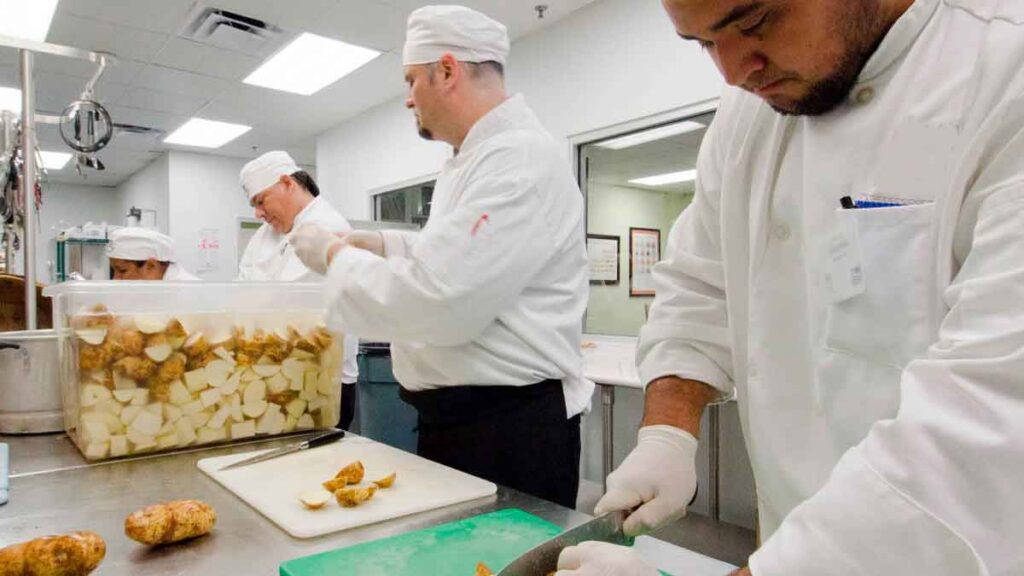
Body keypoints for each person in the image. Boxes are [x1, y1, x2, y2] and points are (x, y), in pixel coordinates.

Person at [560, 0, 1024, 575]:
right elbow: (698, 285)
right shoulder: (748, 113)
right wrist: (666, 434)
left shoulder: (1003, 71)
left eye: (755, 22)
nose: (733, 72)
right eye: (704, 43)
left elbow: (989, 429)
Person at [291, 5, 592, 509]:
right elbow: (461, 257)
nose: (408, 98)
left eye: (412, 80)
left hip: (508, 431)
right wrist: (384, 245)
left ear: (448, 71)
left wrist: (335, 255)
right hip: (463, 422)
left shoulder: (517, 160)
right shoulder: (471, 161)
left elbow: (443, 298)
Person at [237, 150, 359, 431]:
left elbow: (287, 306)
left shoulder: (327, 226)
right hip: (272, 372)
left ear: (287, 183)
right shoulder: (264, 234)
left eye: (260, 201)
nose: (257, 213)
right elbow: (242, 286)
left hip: (320, 378)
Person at [107, 227, 198, 281]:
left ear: (151, 265)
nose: (115, 279)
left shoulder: (188, 293)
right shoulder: (155, 287)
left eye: (122, 270)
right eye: (114, 271)